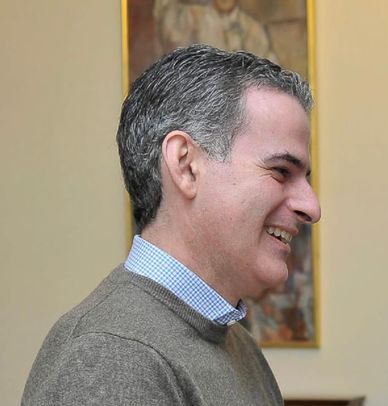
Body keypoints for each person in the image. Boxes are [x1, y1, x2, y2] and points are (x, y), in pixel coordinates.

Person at [22, 44, 320, 405]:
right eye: (280, 172)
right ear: (185, 165)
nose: (311, 207)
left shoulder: (237, 344)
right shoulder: (109, 357)